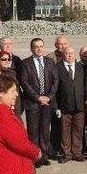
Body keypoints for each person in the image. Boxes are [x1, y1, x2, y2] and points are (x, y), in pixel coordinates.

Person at [19, 38, 58, 167]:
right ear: (31, 49)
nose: (39, 49)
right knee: (33, 132)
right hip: (33, 103)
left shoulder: (50, 62)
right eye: (36, 47)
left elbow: (55, 81)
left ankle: (44, 156)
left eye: (41, 46)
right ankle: (34, 157)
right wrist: (37, 98)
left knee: (45, 131)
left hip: (47, 103)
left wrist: (49, 97)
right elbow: (24, 83)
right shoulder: (25, 63)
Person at [56, 46, 87, 163]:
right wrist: (57, 106)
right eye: (67, 53)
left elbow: (86, 85)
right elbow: (55, 88)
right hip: (64, 106)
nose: (70, 55)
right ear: (63, 55)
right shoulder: (58, 67)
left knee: (78, 131)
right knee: (65, 132)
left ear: (75, 55)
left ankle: (77, 153)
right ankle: (67, 154)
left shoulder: (81, 67)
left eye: (72, 53)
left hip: (79, 105)